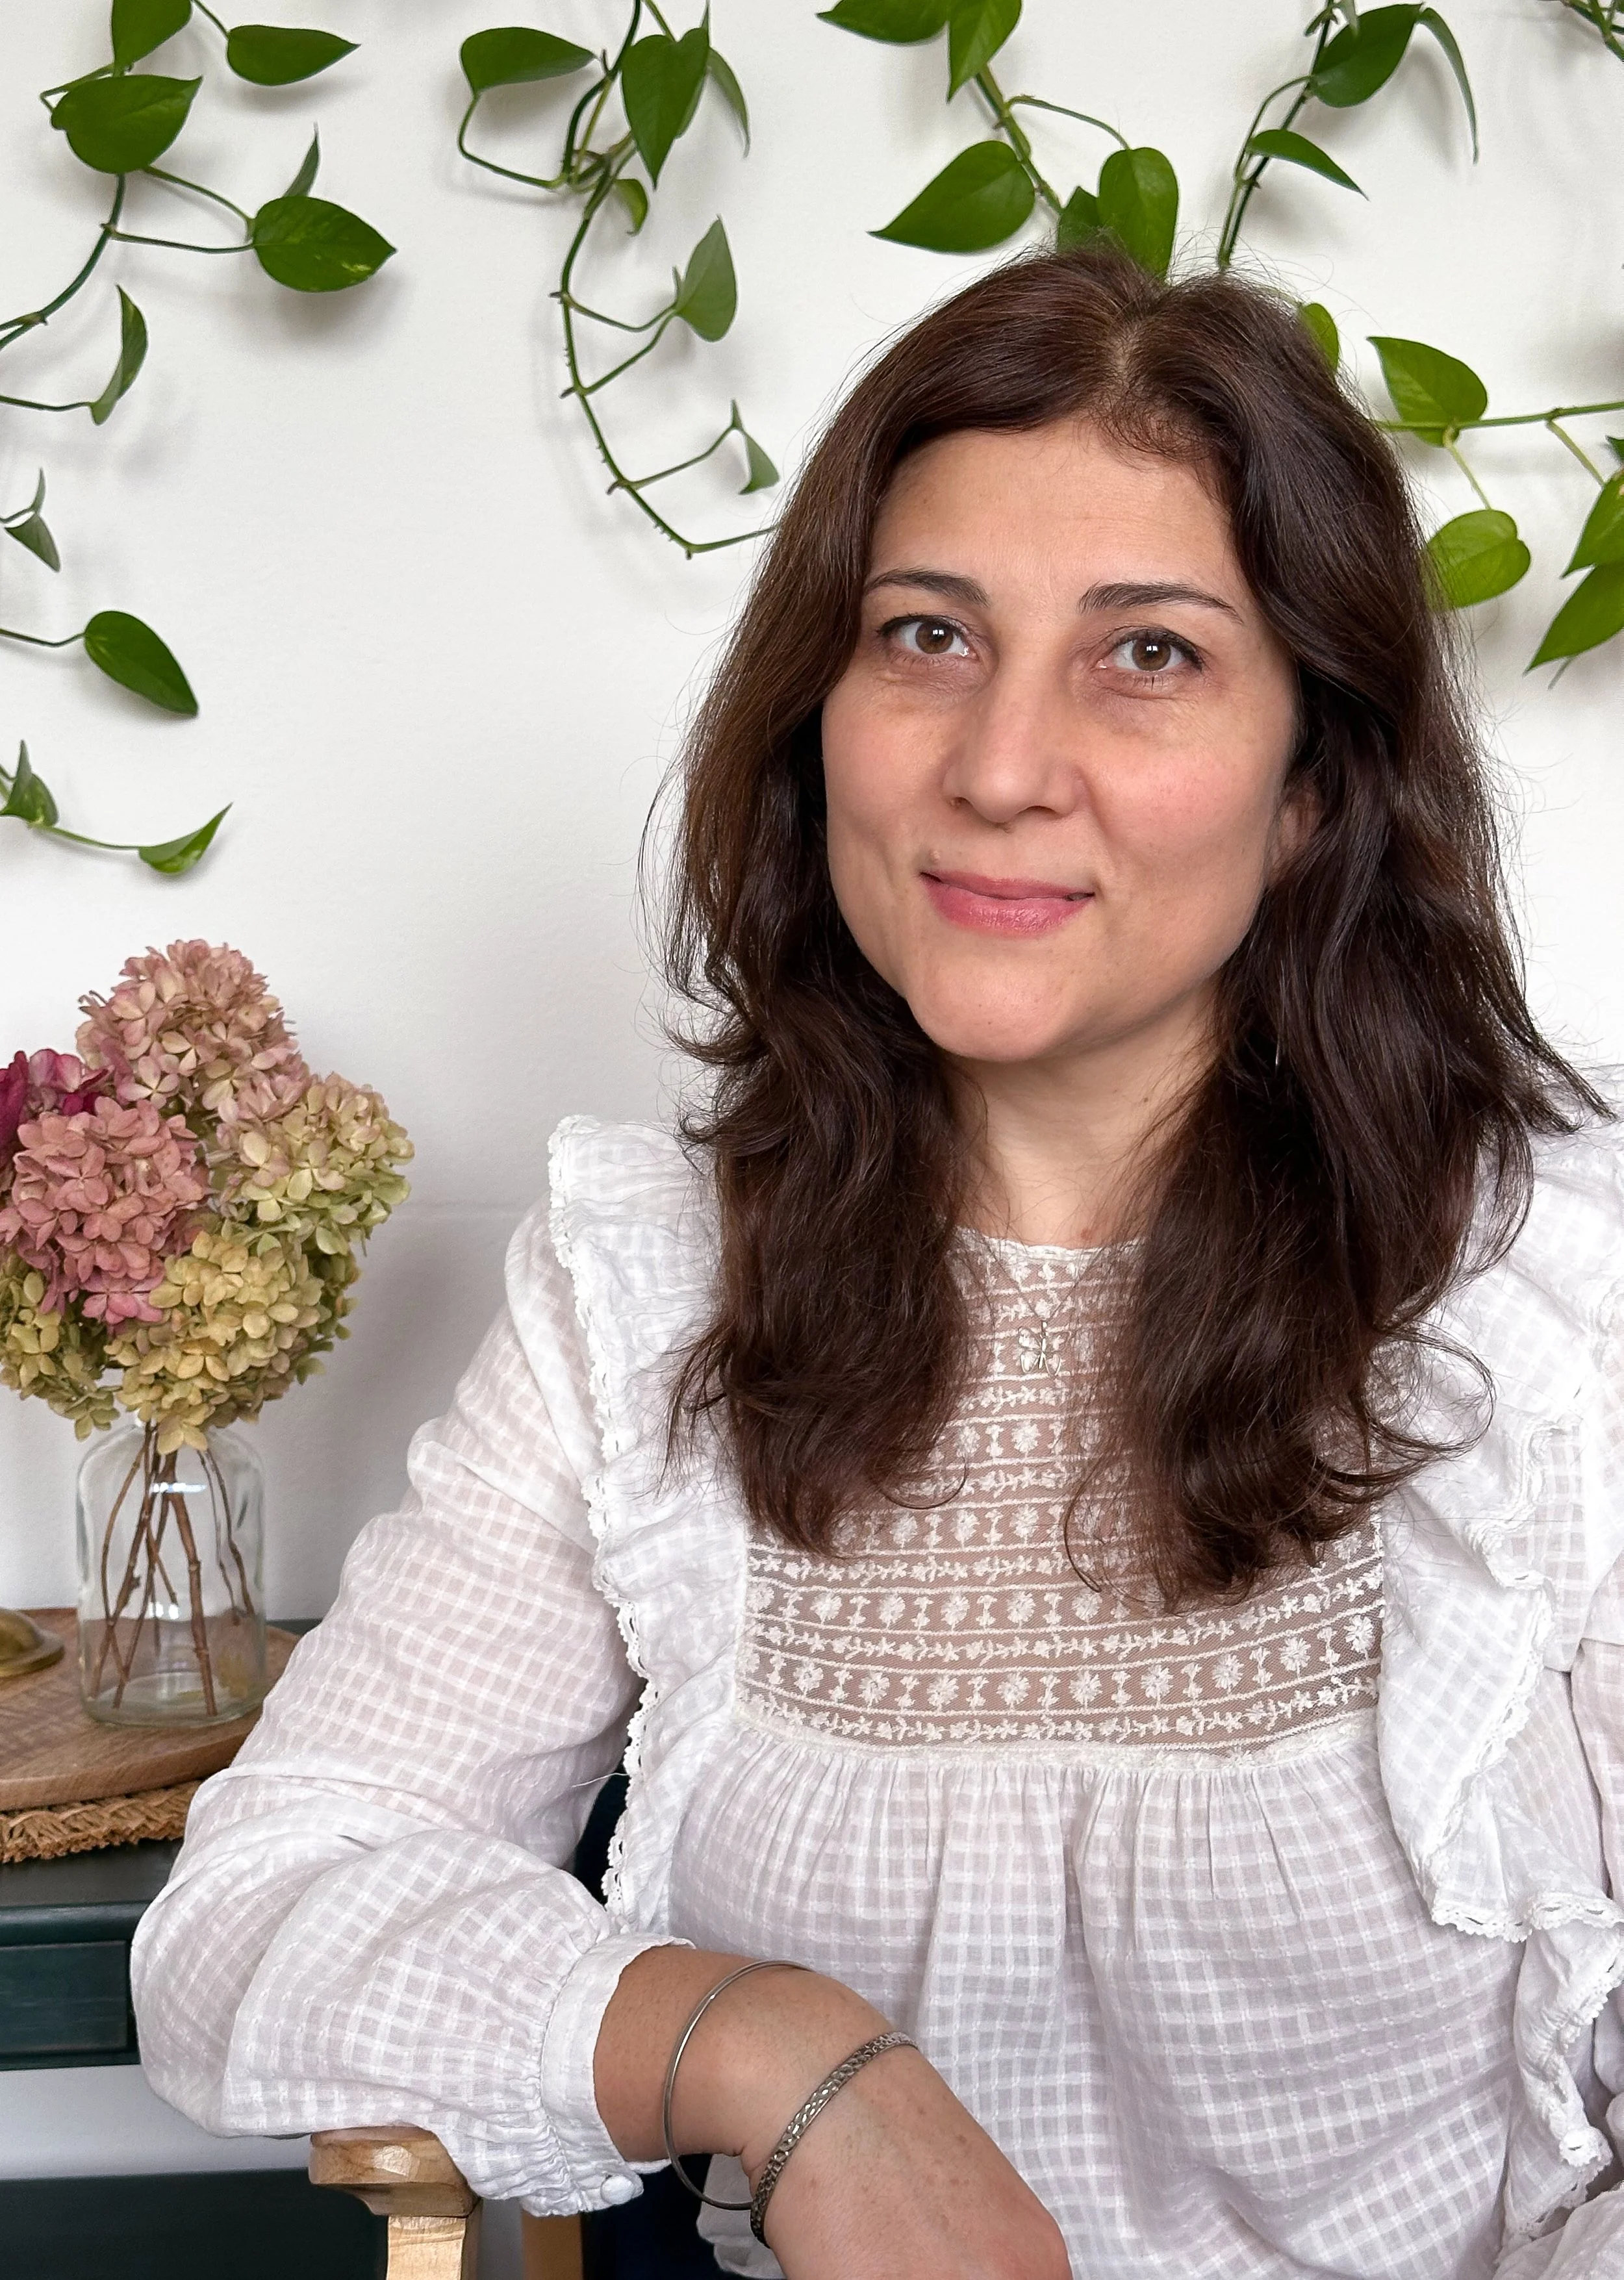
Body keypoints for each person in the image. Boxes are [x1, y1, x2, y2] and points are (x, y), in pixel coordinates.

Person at [133, 245, 1624, 2280]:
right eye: (924, 632)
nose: (999, 765)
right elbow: (249, 1922)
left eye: (1149, 653)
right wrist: (783, 2052)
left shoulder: (1559, 1292)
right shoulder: (643, 1281)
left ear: (1312, 788)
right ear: (816, 707)